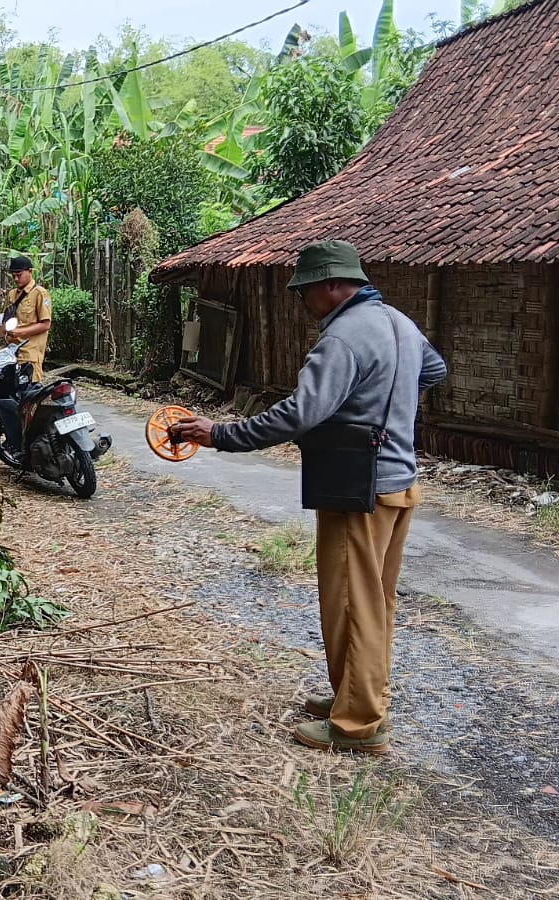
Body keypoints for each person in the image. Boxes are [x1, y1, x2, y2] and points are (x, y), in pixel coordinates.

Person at [169, 240, 447, 754]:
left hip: (356, 485)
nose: (303, 302)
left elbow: (300, 414)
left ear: (332, 286)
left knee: (350, 603)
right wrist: (386, 405)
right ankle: (357, 696)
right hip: (398, 482)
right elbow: (433, 372)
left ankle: (358, 723)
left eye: (306, 292)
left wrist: (223, 433)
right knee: (374, 601)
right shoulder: (400, 323)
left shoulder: (342, 338)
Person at [0, 255, 53, 455]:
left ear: (30, 272)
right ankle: (18, 441)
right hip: (11, 357)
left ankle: (33, 444)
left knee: (29, 401)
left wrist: (21, 333)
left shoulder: (40, 294)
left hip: (30, 356)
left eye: (19, 275)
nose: (16, 279)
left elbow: (45, 324)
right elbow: (7, 321)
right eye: (14, 276)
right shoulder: (11, 295)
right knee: (11, 400)